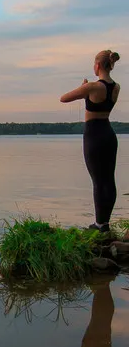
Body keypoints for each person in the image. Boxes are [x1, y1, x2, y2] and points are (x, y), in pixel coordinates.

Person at [60, 50, 121, 232]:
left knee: (97, 181)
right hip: (109, 134)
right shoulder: (116, 86)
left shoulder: (93, 87)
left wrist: (83, 88)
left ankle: (99, 224)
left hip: (94, 135)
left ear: (97, 66)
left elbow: (64, 98)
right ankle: (105, 223)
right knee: (108, 180)